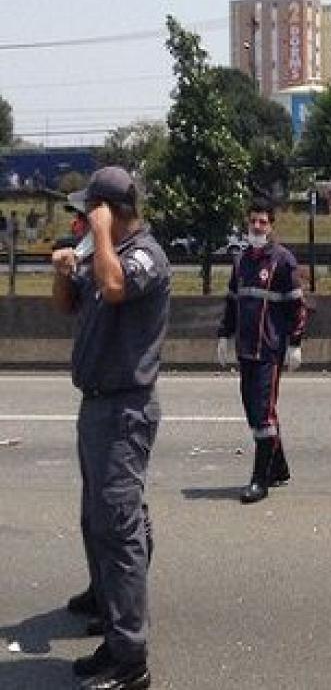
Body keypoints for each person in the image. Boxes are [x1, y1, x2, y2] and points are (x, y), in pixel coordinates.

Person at [51, 166, 170, 689]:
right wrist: (62, 271)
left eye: (91, 210)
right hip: (97, 406)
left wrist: (100, 234)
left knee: (120, 530)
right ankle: (113, 622)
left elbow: (116, 286)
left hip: (125, 410)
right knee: (99, 520)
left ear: (110, 210)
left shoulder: (144, 255)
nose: (84, 218)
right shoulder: (102, 255)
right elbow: (66, 304)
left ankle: (131, 659)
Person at [217, 198, 308, 504]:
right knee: (253, 411)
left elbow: (297, 305)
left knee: (263, 414)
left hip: (270, 350)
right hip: (245, 350)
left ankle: (260, 479)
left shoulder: (283, 261)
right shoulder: (241, 261)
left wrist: (295, 343)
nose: (257, 227)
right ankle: (278, 466)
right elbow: (232, 301)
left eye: (263, 222)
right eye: (253, 221)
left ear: (271, 226)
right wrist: (224, 335)